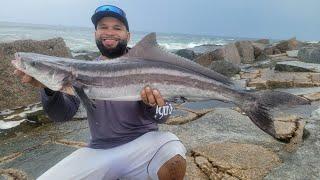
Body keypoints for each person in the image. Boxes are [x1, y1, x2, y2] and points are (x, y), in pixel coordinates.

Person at [13, 4, 187, 180]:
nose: (109, 32)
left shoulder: (148, 67)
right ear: (95, 34)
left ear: (128, 35)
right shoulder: (79, 72)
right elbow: (62, 115)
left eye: (117, 28)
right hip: (100, 150)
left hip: (145, 144)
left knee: (173, 154)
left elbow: (164, 116)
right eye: (103, 27)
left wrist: (152, 105)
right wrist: (49, 88)